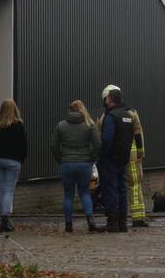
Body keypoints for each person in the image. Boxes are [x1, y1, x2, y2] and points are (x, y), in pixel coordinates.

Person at [51, 99, 102, 233]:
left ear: (69, 110)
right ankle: (90, 220)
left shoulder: (61, 125)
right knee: (85, 192)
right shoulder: (89, 124)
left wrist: (60, 158)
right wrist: (92, 158)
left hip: (66, 163)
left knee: (68, 194)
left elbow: (54, 145)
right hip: (84, 163)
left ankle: (68, 225)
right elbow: (97, 144)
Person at [98, 85, 135, 233]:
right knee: (122, 188)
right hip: (123, 157)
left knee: (110, 189)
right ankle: (122, 222)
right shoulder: (128, 115)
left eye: (106, 98)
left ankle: (112, 222)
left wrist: (103, 154)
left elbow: (107, 138)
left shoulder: (111, 116)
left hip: (110, 159)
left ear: (110, 99)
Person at [0, 99, 27, 233]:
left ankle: (3, 219)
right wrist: (21, 158)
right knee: (9, 190)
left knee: (2, 189)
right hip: (13, 161)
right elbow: (23, 145)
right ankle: (5, 218)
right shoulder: (18, 125)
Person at [126, 106, 149, 228]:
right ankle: (138, 217)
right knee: (135, 185)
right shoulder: (132, 114)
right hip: (133, 157)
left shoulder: (105, 116)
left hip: (114, 157)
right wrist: (141, 153)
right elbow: (139, 135)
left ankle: (116, 219)